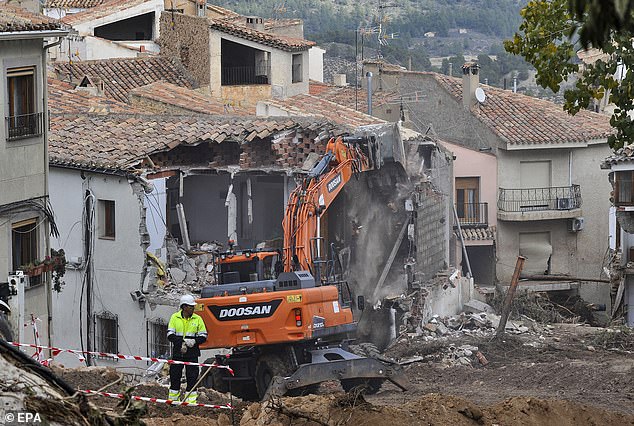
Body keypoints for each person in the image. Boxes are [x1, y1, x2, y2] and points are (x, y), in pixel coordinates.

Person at [167, 294, 207, 403]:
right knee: (175, 376)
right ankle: (173, 401)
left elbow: (203, 336)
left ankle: (190, 402)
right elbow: (170, 335)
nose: (193, 308)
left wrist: (194, 341)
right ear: (184, 307)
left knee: (192, 377)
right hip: (178, 353)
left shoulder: (198, 319)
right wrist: (182, 342)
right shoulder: (174, 317)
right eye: (191, 307)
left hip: (192, 353)